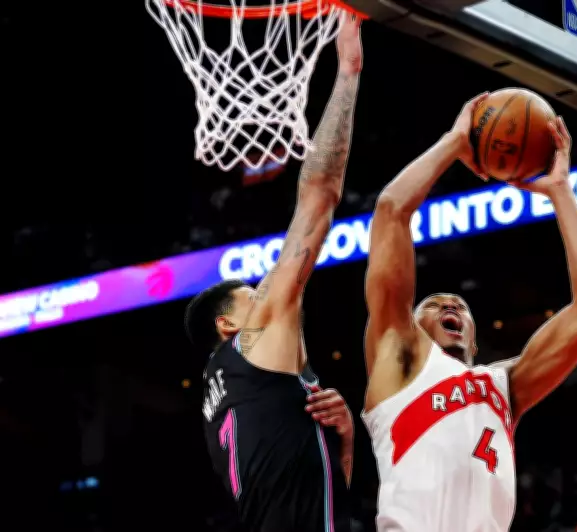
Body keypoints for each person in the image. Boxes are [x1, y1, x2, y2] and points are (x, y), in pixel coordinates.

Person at [361, 93, 577, 531]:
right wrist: (456, 141)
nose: (450, 304)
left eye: (460, 306)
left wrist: (560, 192)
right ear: (411, 327)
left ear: (476, 341)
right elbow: (391, 211)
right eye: (433, 305)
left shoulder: (504, 386)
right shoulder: (397, 357)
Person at [183, 14, 363, 532]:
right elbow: (319, 198)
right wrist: (347, 72)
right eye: (253, 295)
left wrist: (344, 440)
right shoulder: (252, 343)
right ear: (228, 325)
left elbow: (324, 493)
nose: (266, 294)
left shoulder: (227, 397)